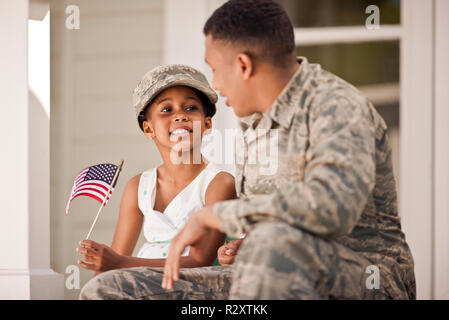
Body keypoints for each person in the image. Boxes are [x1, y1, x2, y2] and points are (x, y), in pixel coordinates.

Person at [80, 0, 416, 300]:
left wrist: (217, 215)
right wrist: (241, 246)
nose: (215, 85)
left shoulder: (336, 107)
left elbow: (331, 208)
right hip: (268, 269)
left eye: (214, 69)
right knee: (110, 289)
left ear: (243, 65)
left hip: (367, 278)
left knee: (272, 253)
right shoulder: (256, 122)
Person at [76, 64, 236, 276]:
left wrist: (120, 263)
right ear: (148, 129)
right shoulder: (139, 187)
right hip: (141, 282)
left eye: (191, 108)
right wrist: (102, 274)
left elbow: (201, 260)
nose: (180, 116)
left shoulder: (218, 183)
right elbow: (114, 261)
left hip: (196, 286)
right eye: (166, 110)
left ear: (207, 124)